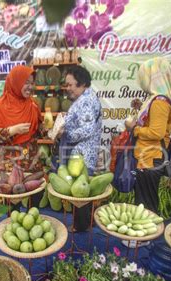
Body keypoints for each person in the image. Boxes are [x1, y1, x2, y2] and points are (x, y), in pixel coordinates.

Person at [126, 57, 171, 213]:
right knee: (143, 200)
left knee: (146, 203)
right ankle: (144, 234)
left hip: (151, 158)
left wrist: (133, 128)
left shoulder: (159, 102)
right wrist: (141, 107)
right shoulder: (157, 100)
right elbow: (154, 123)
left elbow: (156, 133)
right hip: (148, 157)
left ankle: (147, 235)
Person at [60, 65, 102, 232]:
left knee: (79, 190)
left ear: (82, 83)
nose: (67, 88)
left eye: (71, 84)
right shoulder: (86, 98)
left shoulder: (85, 101)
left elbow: (87, 129)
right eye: (67, 84)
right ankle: (85, 222)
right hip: (84, 152)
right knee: (82, 187)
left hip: (82, 154)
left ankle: (80, 226)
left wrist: (66, 132)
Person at [0, 65, 44, 173]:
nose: (30, 87)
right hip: (10, 168)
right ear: (16, 82)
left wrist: (51, 130)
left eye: (32, 83)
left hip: (32, 166)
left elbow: (38, 131)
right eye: (26, 82)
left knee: (35, 190)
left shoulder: (33, 104)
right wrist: (12, 130)